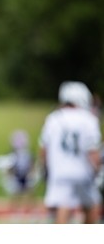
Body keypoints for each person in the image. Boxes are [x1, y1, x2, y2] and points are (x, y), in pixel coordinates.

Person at [38, 81, 102, 224]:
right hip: (83, 172)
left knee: (63, 206)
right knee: (91, 206)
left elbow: (44, 148)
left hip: (60, 172)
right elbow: (93, 150)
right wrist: (97, 170)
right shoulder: (89, 119)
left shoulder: (53, 118)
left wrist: (44, 168)